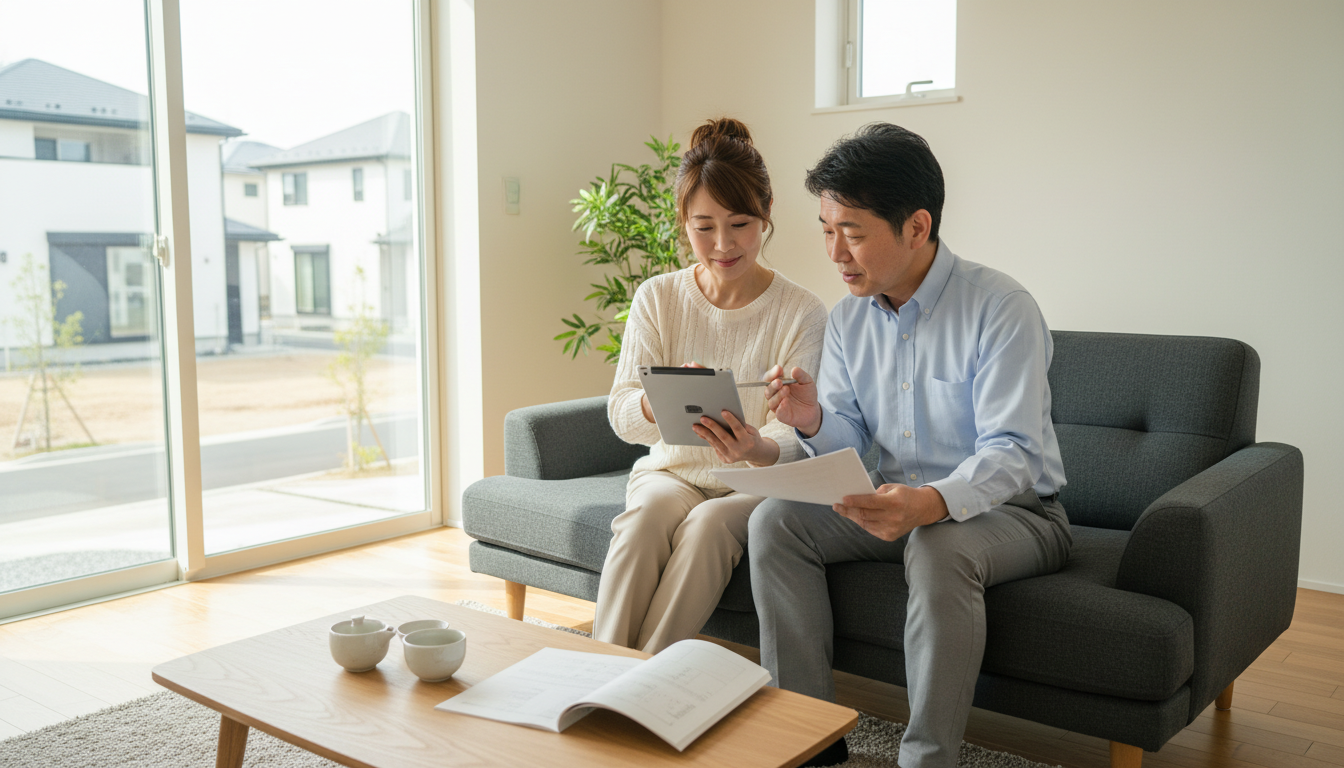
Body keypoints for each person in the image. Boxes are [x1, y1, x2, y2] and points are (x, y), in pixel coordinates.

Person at [755, 123, 1073, 768]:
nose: (835, 252)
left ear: (917, 227)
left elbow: (1013, 452)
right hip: (895, 503)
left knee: (939, 541)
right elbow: (858, 450)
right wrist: (812, 418)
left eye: (853, 231)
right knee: (774, 523)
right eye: (825, 229)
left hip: (1018, 514)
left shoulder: (1001, 308)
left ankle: (927, 759)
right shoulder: (846, 319)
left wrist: (929, 503)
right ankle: (809, 739)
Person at [593, 117, 828, 655]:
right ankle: (599, 670)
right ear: (683, 223)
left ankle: (641, 679)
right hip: (670, 473)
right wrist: (656, 405)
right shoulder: (657, 298)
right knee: (642, 521)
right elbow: (621, 411)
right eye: (704, 226)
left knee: (706, 528)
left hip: (750, 485)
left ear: (766, 217)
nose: (722, 244)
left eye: (740, 223)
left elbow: (802, 436)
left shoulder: (803, 312)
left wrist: (759, 447)